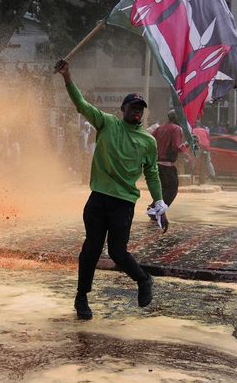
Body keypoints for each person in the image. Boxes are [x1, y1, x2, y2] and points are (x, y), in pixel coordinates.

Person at [54, 58, 165, 321]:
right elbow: (81, 105)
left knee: (117, 252)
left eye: (140, 108)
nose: (136, 111)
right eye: (132, 107)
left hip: (123, 202)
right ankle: (81, 299)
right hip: (98, 198)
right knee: (90, 249)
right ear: (123, 109)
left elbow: (151, 172)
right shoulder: (106, 123)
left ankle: (143, 279)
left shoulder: (148, 141)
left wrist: (159, 202)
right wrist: (67, 76)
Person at [151, 110, 187, 212]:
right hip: (168, 165)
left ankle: (154, 207)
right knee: (172, 189)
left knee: (162, 189)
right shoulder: (176, 128)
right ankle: (157, 210)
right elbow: (177, 147)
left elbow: (150, 139)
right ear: (176, 118)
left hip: (157, 164)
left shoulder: (160, 127)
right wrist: (186, 145)